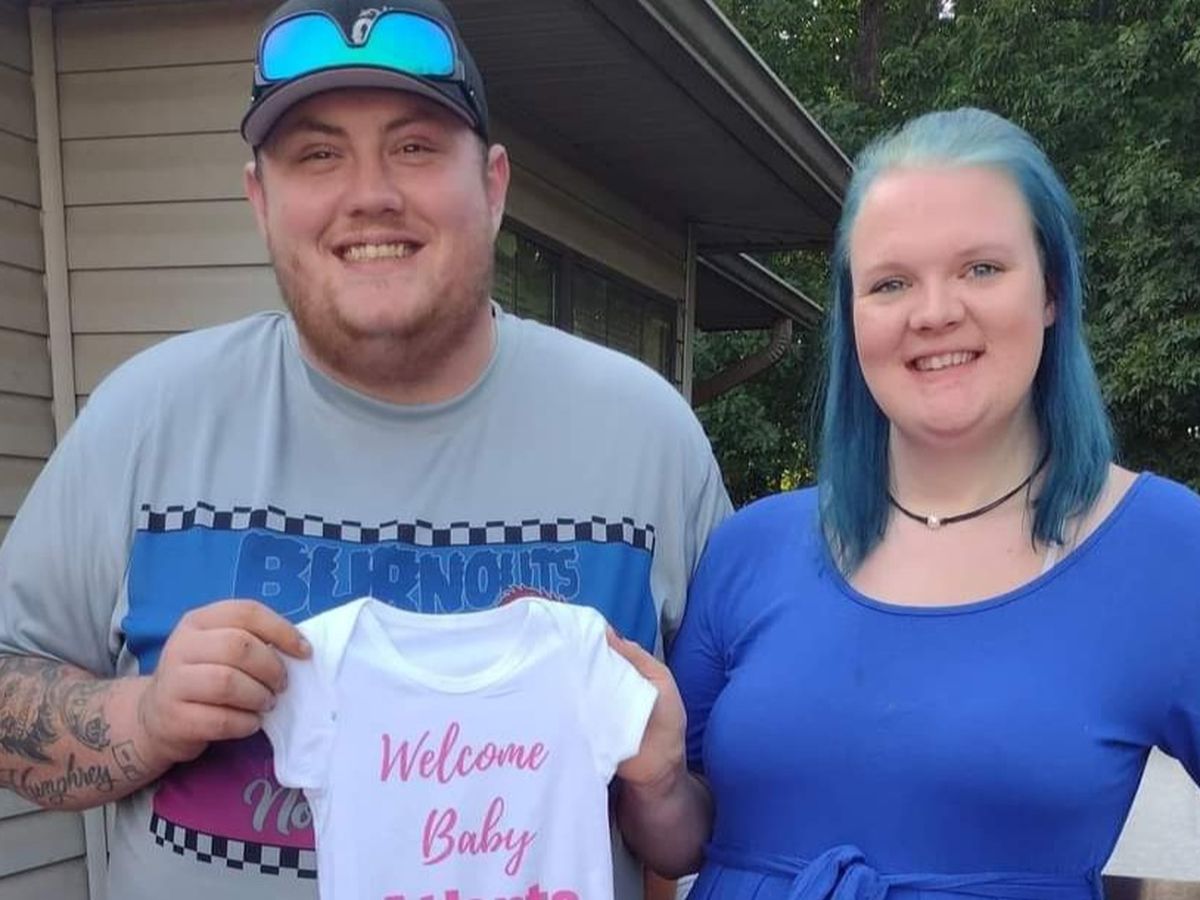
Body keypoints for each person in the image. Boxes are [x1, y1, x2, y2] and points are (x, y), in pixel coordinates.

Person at [0, 1, 730, 898]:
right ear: (260, 200)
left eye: (415, 147)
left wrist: (659, 788)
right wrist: (144, 717)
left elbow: (722, 811)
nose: (370, 193)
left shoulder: (647, 439)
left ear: (493, 186)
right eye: (318, 155)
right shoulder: (144, 420)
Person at [615, 107, 1200, 899]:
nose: (934, 312)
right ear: (853, 315)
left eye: (981, 269)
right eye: (891, 283)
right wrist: (655, 782)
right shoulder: (751, 548)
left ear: (1052, 291)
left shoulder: (1166, 550)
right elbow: (682, 841)